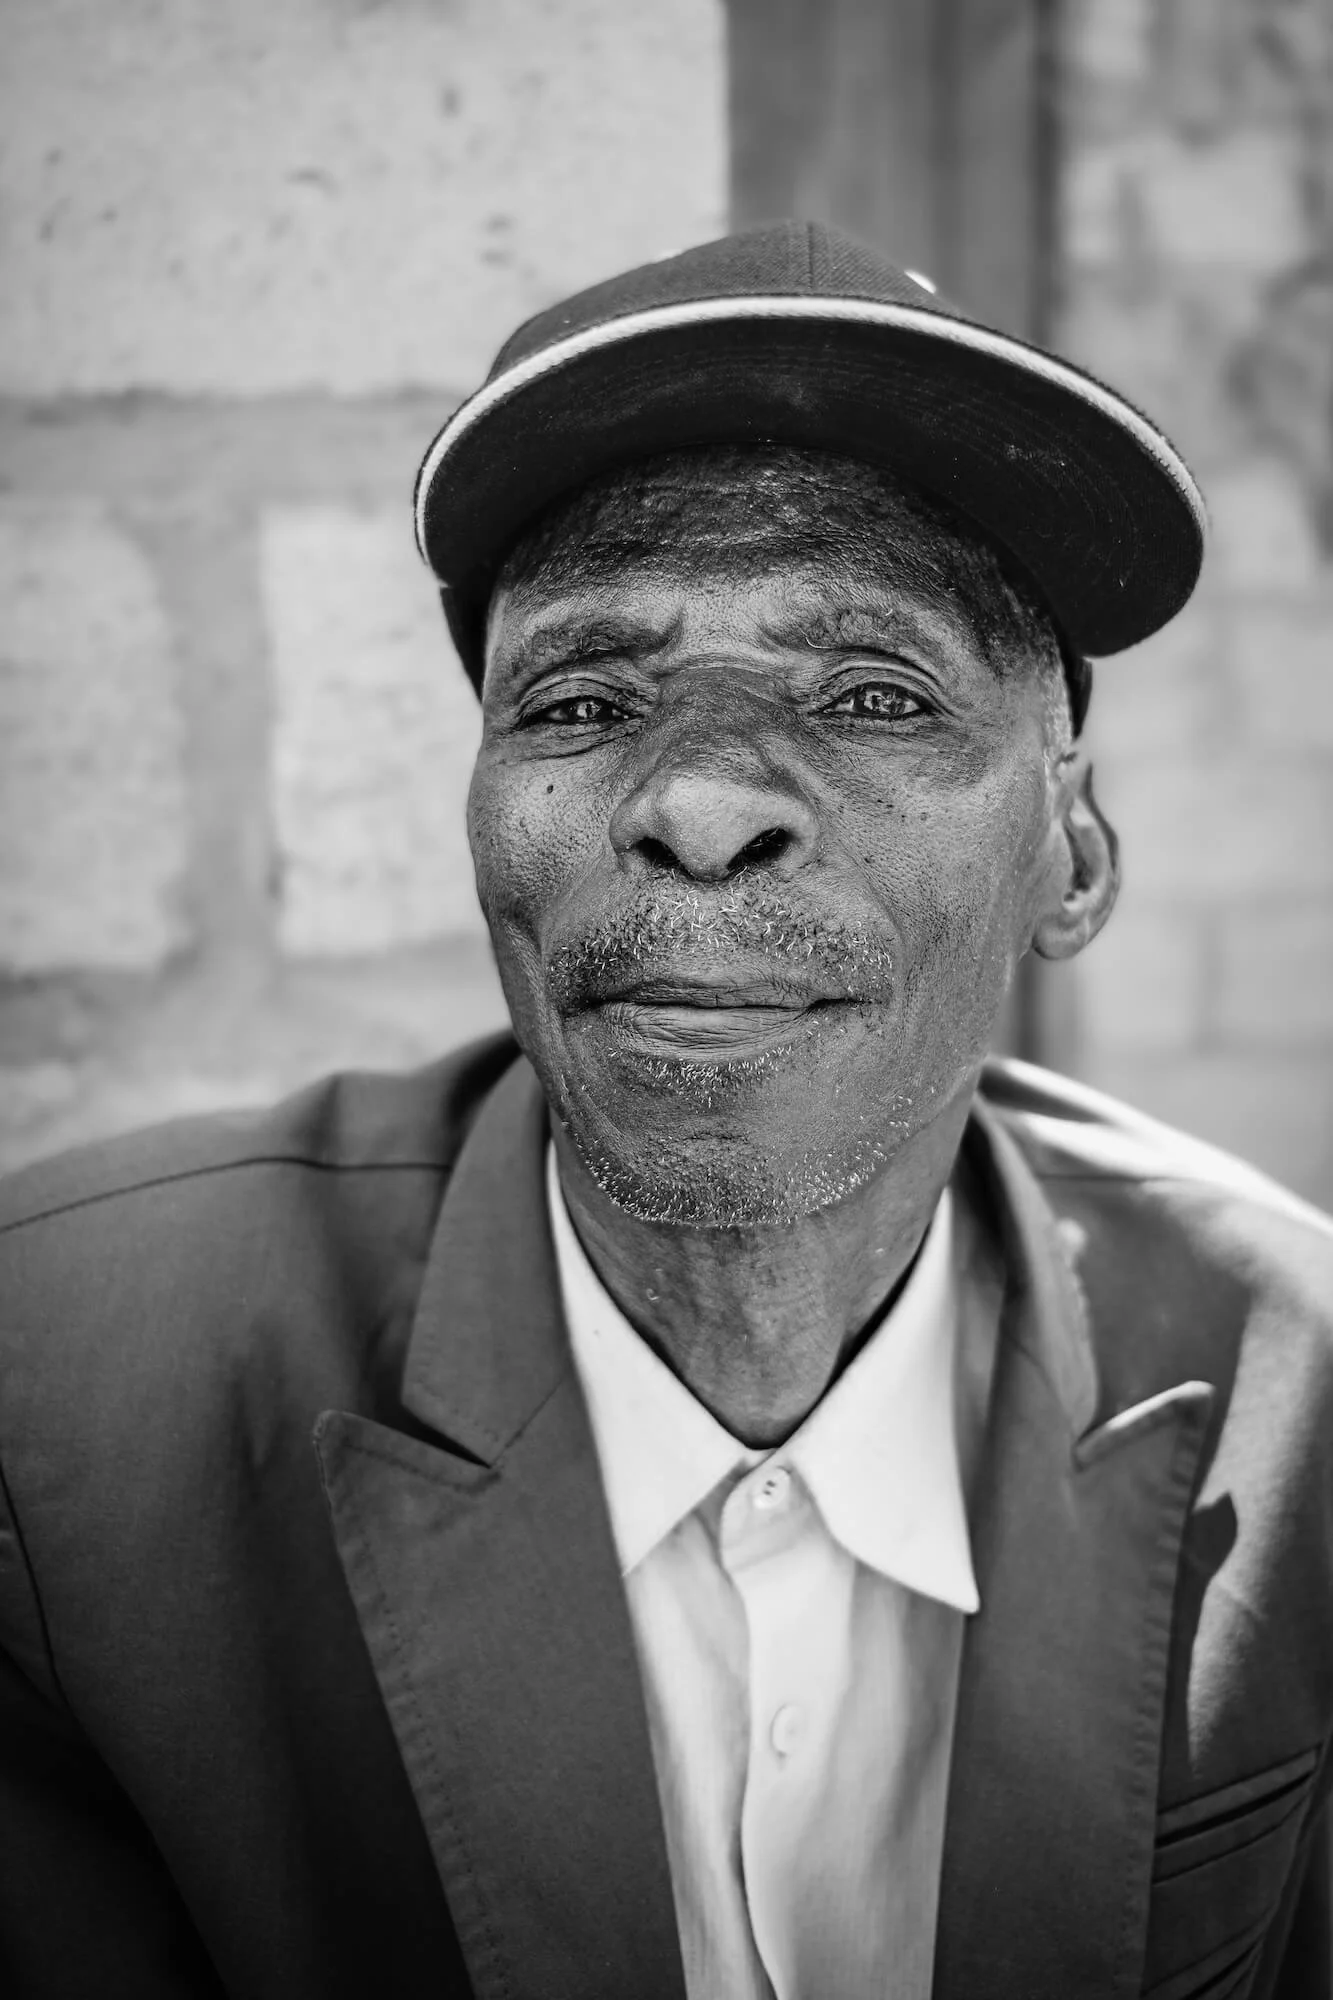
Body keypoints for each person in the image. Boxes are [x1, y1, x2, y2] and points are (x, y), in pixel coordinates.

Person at [2, 220, 1331, 2000]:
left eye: (872, 692)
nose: (700, 797)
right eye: (582, 696)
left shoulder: (1306, 1410)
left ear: (1069, 856)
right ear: (482, 824)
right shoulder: (61, 1409)